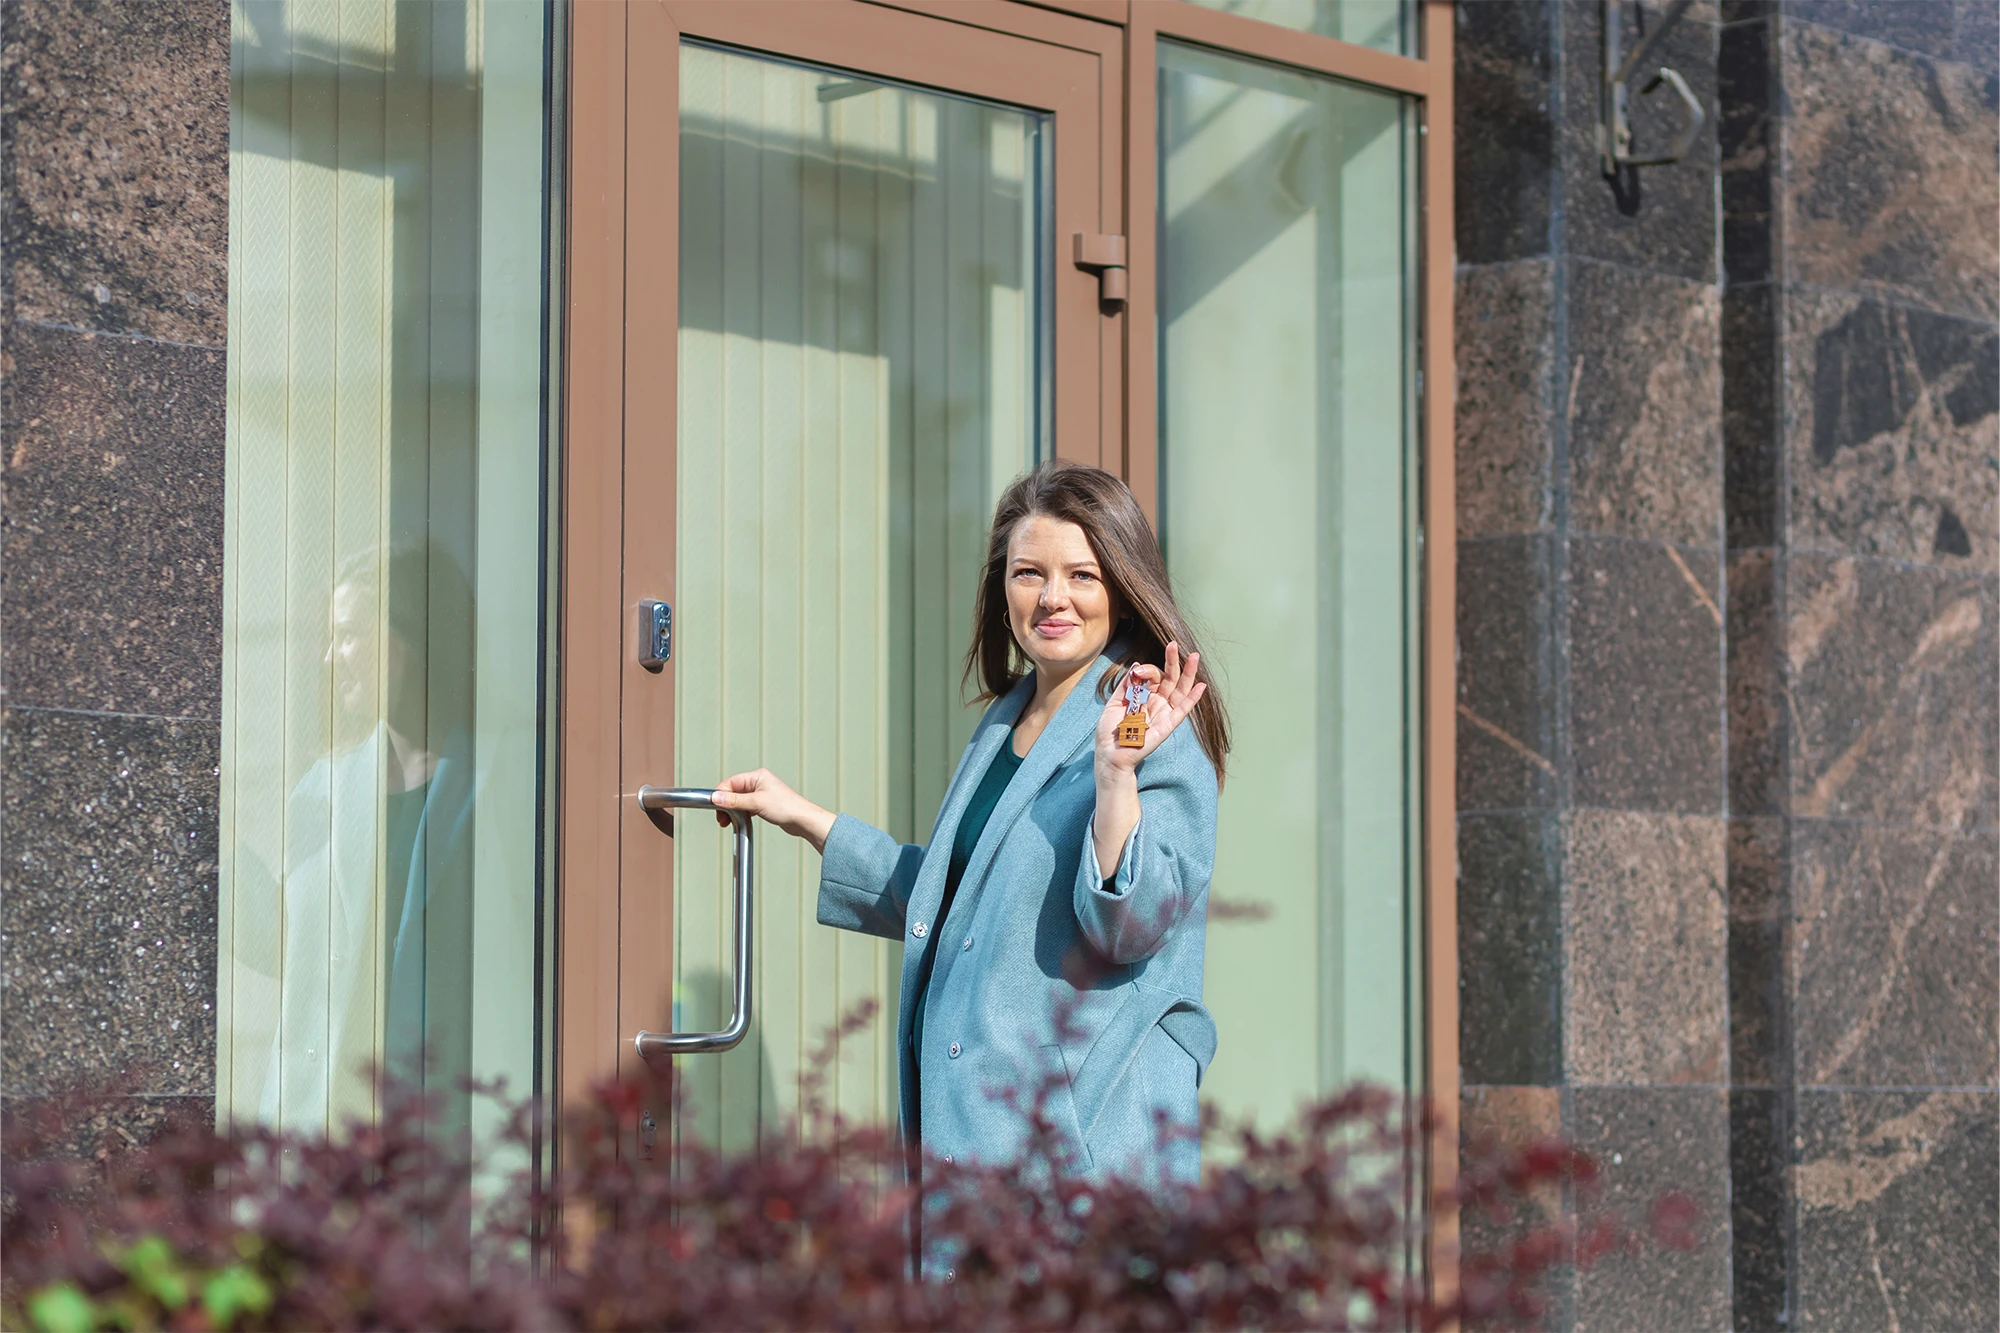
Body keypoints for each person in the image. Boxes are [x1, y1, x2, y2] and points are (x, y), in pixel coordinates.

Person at [714, 461, 1229, 1183]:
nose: (1053, 598)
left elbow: (1132, 927)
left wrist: (1115, 771)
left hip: (1077, 1153)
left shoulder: (1149, 723)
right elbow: (965, 902)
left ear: (1123, 584)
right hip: (970, 1123)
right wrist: (806, 817)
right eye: (1028, 573)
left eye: (1082, 575)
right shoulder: (1007, 719)